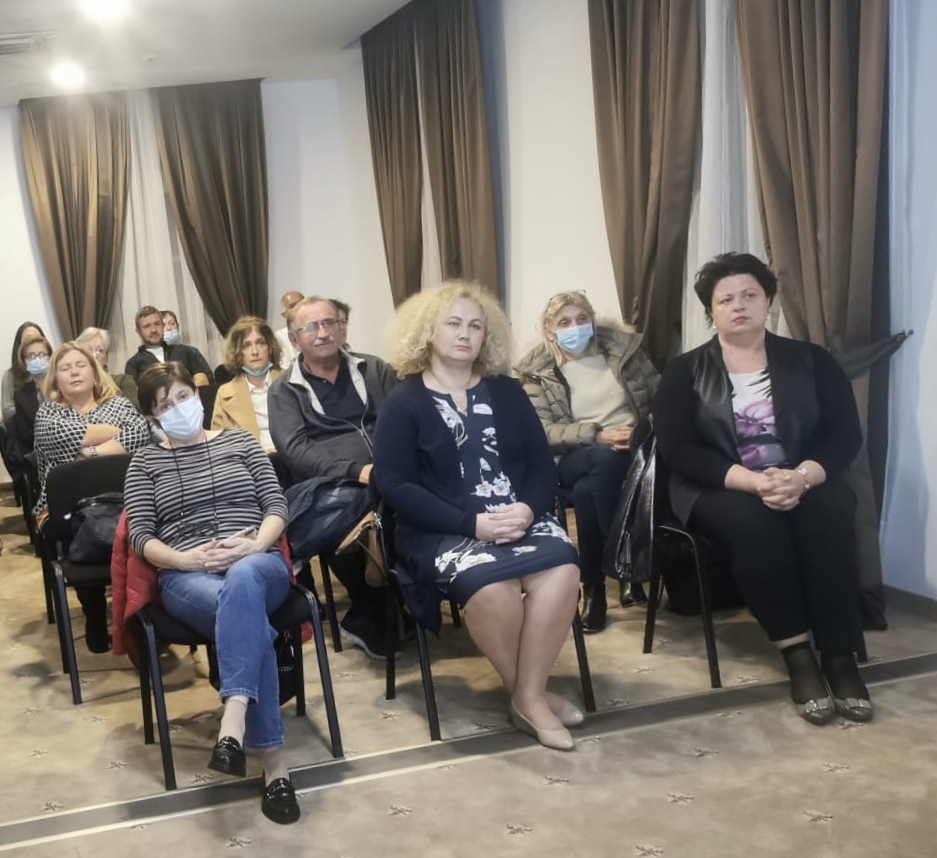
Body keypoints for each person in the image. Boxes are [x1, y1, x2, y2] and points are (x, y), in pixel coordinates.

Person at [653, 252, 871, 725]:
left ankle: (840, 656)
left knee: (830, 512)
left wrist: (802, 477)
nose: (739, 305)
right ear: (711, 311)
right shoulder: (684, 372)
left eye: (750, 294)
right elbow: (679, 450)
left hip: (803, 476)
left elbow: (844, 435)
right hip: (719, 485)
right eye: (726, 299)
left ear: (768, 301)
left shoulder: (812, 361)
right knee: (756, 525)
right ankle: (797, 654)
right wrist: (753, 482)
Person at [373, 281, 582, 751]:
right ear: (427, 333)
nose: (465, 334)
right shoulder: (403, 402)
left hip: (520, 518)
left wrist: (527, 509)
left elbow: (541, 466)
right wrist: (472, 524)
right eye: (453, 324)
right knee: (493, 591)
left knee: (563, 572)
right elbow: (396, 486)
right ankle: (531, 695)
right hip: (443, 529)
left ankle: (528, 695)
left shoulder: (507, 392)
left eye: (475, 325)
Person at [125, 362, 301, 824]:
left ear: (197, 395)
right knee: (250, 623)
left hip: (257, 560)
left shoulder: (239, 441)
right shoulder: (145, 463)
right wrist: (185, 560)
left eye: (183, 397)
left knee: (243, 580)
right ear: (152, 417)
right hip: (188, 575)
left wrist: (255, 545)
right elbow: (140, 536)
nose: (177, 408)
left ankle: (233, 719)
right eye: (164, 405)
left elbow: (276, 505)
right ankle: (275, 767)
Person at [513, 291, 660, 632]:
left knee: (587, 491)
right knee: (599, 463)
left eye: (582, 319)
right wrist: (597, 435)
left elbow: (661, 398)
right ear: (550, 330)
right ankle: (625, 558)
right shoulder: (536, 373)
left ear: (592, 321)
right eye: (564, 322)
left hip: (633, 451)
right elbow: (542, 431)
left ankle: (593, 589)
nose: (574, 327)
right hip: (574, 456)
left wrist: (639, 433)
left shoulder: (626, 354)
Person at [268, 295, 396, 658]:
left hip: (391, 474)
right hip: (333, 485)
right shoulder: (284, 390)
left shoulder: (374, 369)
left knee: (386, 500)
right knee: (351, 504)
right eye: (311, 327)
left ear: (342, 329)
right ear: (295, 340)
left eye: (329, 323)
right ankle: (374, 607)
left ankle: (379, 607)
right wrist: (357, 471)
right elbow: (295, 449)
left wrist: (392, 465)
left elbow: (404, 420)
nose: (323, 333)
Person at [33, 343, 152, 651]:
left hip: (119, 504)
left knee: (143, 526)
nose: (74, 372)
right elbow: (65, 435)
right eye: (65, 368)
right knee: (78, 533)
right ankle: (95, 613)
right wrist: (112, 434)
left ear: (95, 373)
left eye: (80, 365)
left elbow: (140, 433)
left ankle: (139, 614)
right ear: (55, 379)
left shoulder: (120, 404)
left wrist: (92, 453)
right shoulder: (47, 412)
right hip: (64, 513)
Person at [210, 315, 284, 452]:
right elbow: (218, 445)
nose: (254, 352)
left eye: (260, 343)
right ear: (237, 353)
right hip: (249, 462)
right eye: (246, 345)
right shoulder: (224, 393)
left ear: (270, 347)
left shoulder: (292, 381)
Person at [124, 305, 212, 386]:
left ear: (162, 326)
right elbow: (134, 395)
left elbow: (203, 381)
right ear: (139, 332)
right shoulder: (133, 364)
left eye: (157, 324)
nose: (153, 330)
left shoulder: (186, 351)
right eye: (147, 326)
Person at [0, 321, 49, 427]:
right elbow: (7, 411)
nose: (33, 342)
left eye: (37, 338)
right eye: (28, 339)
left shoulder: (56, 371)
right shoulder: (10, 376)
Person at [76, 326, 139, 407]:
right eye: (89, 350)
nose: (94, 355)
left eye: (100, 351)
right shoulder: (73, 384)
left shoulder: (122, 381)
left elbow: (133, 411)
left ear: (106, 358)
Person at [273, 290, 304, 370]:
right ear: (284, 315)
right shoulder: (277, 338)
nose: (298, 308)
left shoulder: (319, 331)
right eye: (292, 306)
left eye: (301, 304)